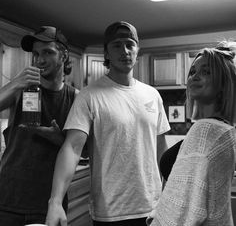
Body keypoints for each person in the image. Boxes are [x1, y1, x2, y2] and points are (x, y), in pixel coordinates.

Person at [46, 21, 170, 226]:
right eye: (117, 45)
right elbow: (72, 147)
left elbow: (160, 148)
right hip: (111, 212)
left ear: (138, 51)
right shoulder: (89, 96)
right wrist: (55, 201)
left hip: (153, 208)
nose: (125, 50)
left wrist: (170, 191)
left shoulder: (153, 95)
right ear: (106, 53)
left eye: (130, 44)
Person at [147, 47, 236, 226]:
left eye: (206, 72)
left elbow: (181, 213)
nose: (194, 76)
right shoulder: (221, 130)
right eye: (193, 71)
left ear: (223, 84)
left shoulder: (207, 131)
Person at [0, 26, 78, 225]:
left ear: (64, 55)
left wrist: (59, 139)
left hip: (50, 204)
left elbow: (83, 150)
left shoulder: (76, 98)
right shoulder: (21, 90)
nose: (39, 60)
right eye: (35, 54)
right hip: (8, 199)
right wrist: (15, 83)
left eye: (47, 52)